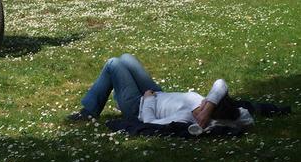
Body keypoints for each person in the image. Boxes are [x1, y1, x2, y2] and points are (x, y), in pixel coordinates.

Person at [68, 54, 252, 130]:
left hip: (138, 106)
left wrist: (147, 99)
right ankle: (109, 96)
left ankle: (89, 111)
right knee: (126, 58)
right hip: (158, 94)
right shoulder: (219, 109)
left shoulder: (187, 118)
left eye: (205, 105)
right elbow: (220, 84)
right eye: (207, 103)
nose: (202, 102)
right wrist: (209, 107)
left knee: (113, 64)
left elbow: (150, 123)